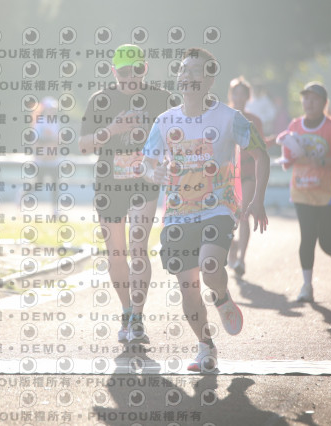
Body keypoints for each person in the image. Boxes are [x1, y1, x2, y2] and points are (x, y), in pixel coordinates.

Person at [141, 48, 270, 372]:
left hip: (218, 209)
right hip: (178, 214)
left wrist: (258, 199)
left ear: (210, 79)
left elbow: (261, 155)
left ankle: (222, 295)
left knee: (209, 266)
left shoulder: (229, 118)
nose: (187, 76)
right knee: (188, 289)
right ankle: (206, 347)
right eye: (183, 70)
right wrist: (153, 172)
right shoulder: (165, 121)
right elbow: (147, 163)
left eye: (195, 71)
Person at [79, 44, 171, 343]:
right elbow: (83, 144)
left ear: (145, 69)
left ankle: (138, 318)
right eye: (124, 72)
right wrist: (112, 129)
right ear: (113, 71)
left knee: (138, 247)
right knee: (116, 254)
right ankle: (127, 310)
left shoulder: (161, 99)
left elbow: (177, 136)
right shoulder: (101, 100)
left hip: (144, 182)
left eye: (137, 70)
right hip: (109, 185)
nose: (131, 77)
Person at [277, 81, 331, 303]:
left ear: (324, 103)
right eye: (305, 98)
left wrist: (322, 161)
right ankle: (307, 286)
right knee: (307, 238)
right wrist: (287, 160)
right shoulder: (294, 125)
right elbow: (288, 154)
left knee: (327, 241)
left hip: (328, 193)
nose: (308, 103)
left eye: (314, 99)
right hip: (302, 191)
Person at [226, 76, 265, 277]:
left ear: (248, 97)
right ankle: (232, 246)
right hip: (226, 175)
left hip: (248, 173)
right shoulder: (223, 116)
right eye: (236, 93)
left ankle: (241, 260)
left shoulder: (254, 121)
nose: (239, 97)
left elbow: (261, 147)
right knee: (227, 216)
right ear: (230, 95)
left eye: (243, 94)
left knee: (243, 215)